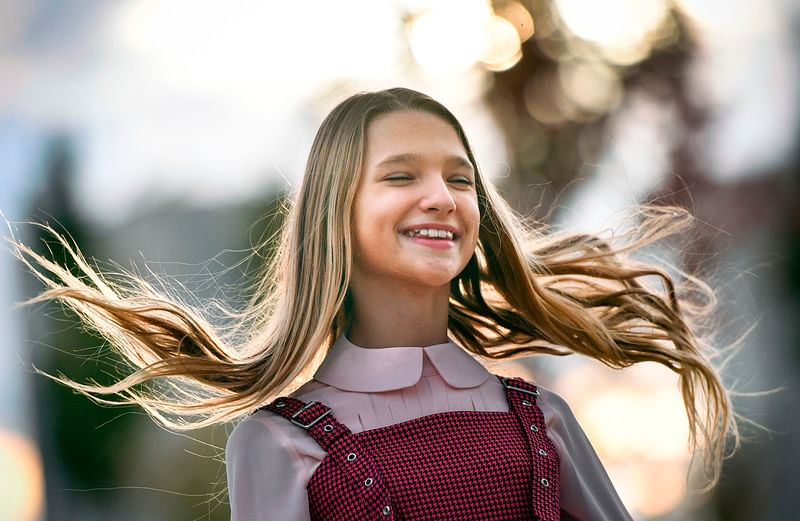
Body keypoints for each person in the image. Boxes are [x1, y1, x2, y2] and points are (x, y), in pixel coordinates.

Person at [10, 87, 737, 520]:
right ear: (336, 214)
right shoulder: (279, 445)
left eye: (460, 177)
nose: (441, 197)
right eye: (400, 174)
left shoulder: (542, 419)